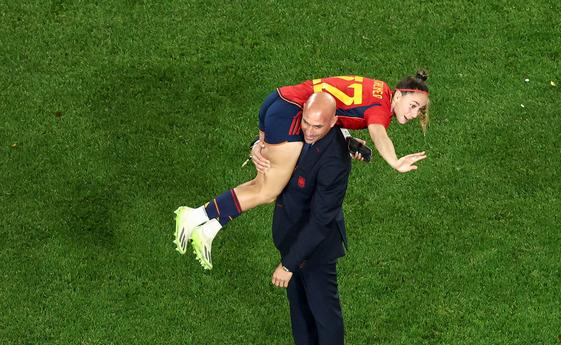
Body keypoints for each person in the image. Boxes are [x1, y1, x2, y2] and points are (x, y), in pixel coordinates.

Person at [174, 71, 429, 270]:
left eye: (420, 109)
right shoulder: (381, 110)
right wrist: (394, 161)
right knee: (268, 190)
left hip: (279, 101)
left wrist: (346, 139)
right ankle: (194, 216)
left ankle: (210, 228)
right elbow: (377, 132)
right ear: (398, 95)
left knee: (272, 180)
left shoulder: (378, 89)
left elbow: (335, 108)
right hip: (292, 113)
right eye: (413, 105)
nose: (415, 113)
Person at [270, 92, 351, 345]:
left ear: (333, 123)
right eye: (306, 122)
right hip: (290, 237)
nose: (309, 131)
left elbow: (320, 221)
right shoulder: (297, 128)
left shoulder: (335, 160)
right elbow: (276, 145)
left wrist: (288, 264)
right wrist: (258, 148)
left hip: (316, 249)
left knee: (325, 315)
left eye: (318, 126)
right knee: (299, 306)